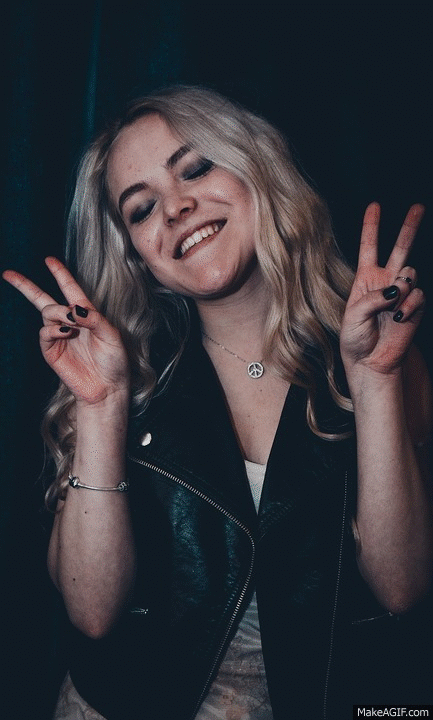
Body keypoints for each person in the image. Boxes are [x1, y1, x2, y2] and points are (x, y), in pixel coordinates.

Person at [3, 86, 432, 720]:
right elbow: (92, 614)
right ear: (138, 257)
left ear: (256, 170)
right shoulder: (117, 374)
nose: (176, 207)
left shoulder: (380, 354)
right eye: (141, 208)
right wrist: (100, 407)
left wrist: (374, 382)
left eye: (197, 168)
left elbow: (401, 589)